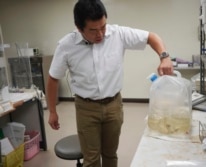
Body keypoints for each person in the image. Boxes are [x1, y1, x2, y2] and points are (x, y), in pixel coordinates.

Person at [47, 0, 173, 167]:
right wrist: (52, 111)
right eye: (93, 30)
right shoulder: (66, 45)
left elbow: (151, 37)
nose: (100, 34)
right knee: (91, 159)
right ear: (79, 27)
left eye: (103, 27)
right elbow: (53, 78)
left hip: (114, 105)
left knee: (110, 154)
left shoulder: (117, 34)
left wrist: (164, 56)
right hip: (86, 108)